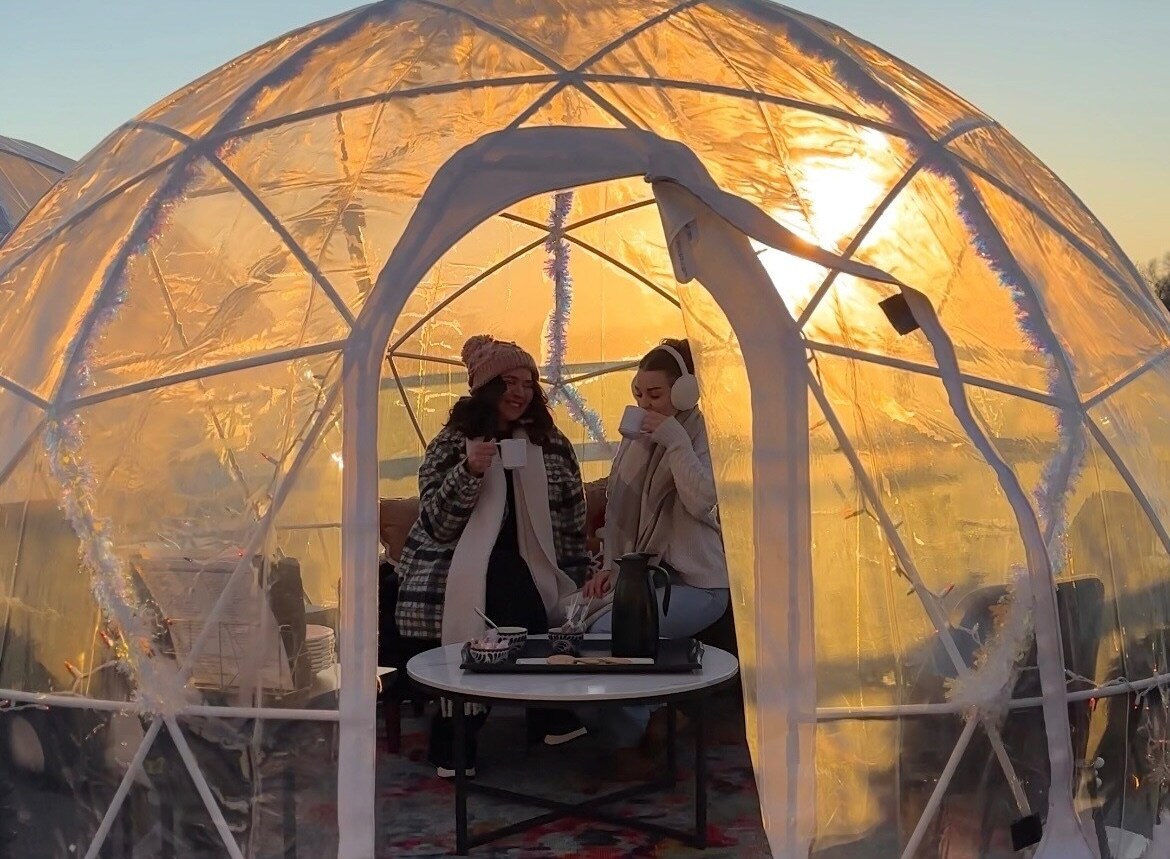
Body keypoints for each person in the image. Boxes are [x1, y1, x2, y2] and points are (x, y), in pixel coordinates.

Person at [394, 334, 590, 777]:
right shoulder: (452, 443)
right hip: (453, 568)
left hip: (532, 563)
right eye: (509, 382)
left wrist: (576, 582)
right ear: (486, 388)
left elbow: (570, 521)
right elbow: (437, 524)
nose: (520, 392)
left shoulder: (549, 444)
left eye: (528, 383)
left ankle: (457, 739)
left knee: (513, 577)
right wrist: (470, 472)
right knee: (502, 576)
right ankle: (545, 712)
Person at [582, 338, 729, 748]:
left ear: (685, 391)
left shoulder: (707, 434)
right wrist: (612, 568)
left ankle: (632, 733)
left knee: (610, 636)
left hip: (700, 585)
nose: (646, 404)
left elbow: (704, 503)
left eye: (656, 394)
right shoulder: (636, 440)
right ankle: (641, 721)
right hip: (646, 578)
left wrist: (676, 440)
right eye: (639, 394)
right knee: (578, 632)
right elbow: (617, 513)